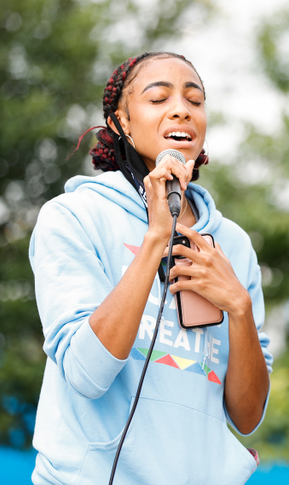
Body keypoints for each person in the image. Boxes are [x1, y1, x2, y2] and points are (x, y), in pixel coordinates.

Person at [29, 51, 273, 485]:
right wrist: (156, 238)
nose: (181, 108)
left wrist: (239, 307)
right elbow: (87, 375)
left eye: (194, 100)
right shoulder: (73, 216)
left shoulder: (234, 245)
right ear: (120, 121)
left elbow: (248, 416)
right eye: (158, 97)